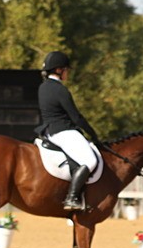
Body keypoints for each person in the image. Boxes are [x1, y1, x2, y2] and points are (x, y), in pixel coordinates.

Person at [36, 50, 101, 211]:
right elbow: (76, 117)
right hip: (63, 131)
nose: (67, 73)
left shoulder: (43, 87)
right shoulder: (60, 90)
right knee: (90, 161)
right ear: (59, 70)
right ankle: (72, 198)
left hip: (49, 132)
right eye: (66, 70)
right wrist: (93, 133)